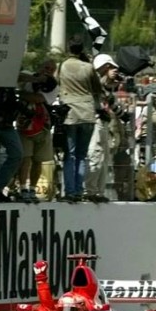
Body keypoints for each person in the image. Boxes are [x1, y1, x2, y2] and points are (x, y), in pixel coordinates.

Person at [57, 35, 102, 202]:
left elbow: (57, 84)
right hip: (88, 113)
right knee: (82, 155)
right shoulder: (88, 67)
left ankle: (69, 191)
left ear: (68, 49)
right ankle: (78, 190)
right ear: (82, 49)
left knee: (71, 154)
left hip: (70, 113)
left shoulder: (62, 66)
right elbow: (97, 88)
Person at [15, 60, 58, 203]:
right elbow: (17, 77)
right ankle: (22, 188)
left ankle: (33, 189)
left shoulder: (53, 86)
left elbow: (38, 98)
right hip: (25, 125)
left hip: (43, 126)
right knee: (25, 158)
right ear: (40, 67)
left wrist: (20, 93)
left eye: (51, 69)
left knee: (38, 160)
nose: (48, 71)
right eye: (46, 67)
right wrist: (35, 79)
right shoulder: (29, 77)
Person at [84, 54, 123, 203]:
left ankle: (98, 192)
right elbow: (99, 88)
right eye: (111, 67)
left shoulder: (108, 86)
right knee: (95, 155)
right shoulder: (94, 81)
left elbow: (110, 101)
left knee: (104, 159)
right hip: (95, 121)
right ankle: (89, 191)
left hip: (104, 123)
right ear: (104, 67)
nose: (115, 70)